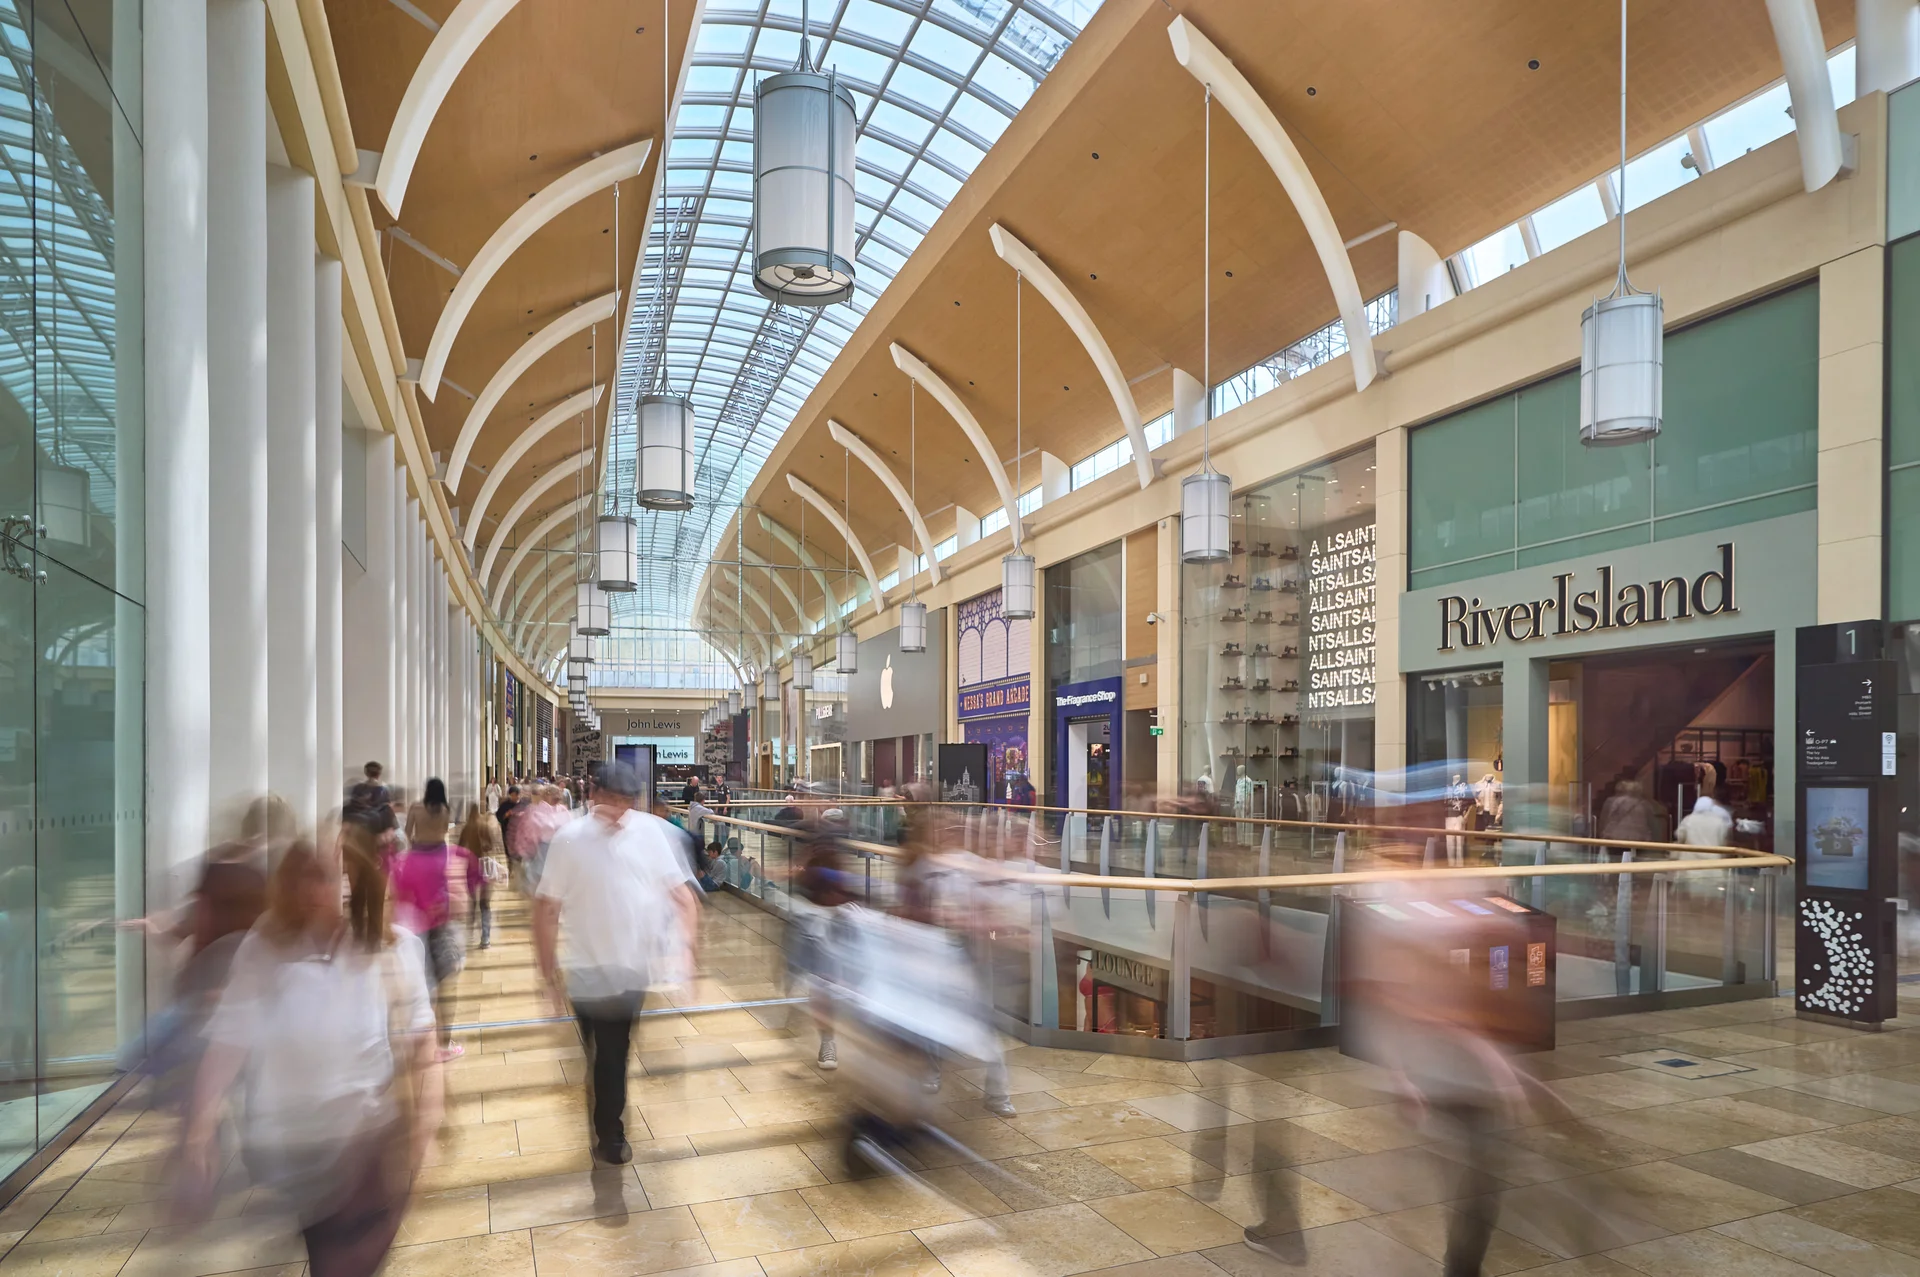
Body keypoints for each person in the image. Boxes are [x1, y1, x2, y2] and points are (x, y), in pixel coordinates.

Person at [179, 832, 443, 1277]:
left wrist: (426, 1126)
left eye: (333, 876)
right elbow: (231, 1037)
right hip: (298, 1139)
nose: (320, 891)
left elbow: (423, 1042)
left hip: (368, 1137)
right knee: (329, 1246)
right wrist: (200, 1130)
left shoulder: (392, 947)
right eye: (309, 877)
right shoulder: (266, 948)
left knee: (346, 1256)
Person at [533, 761, 699, 1165]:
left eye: (626, 801)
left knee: (613, 1054)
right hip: (586, 970)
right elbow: (546, 909)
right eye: (613, 799)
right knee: (600, 1053)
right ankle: (606, 1118)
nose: (619, 810)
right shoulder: (569, 838)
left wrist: (687, 952)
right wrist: (549, 976)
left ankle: (610, 1134)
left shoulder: (647, 832)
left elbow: (682, 897)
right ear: (595, 795)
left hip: (630, 969)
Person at [391, 778, 480, 1059]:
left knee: (420, 970)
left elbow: (407, 834)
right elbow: (446, 832)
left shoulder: (416, 808)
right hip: (439, 862)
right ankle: (443, 1042)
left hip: (416, 861)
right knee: (444, 982)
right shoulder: (445, 809)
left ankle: (418, 1035)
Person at [457, 802, 505, 949]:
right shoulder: (483, 826)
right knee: (485, 904)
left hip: (470, 869)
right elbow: (491, 845)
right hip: (484, 868)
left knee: (472, 903)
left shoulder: (466, 828)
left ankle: (470, 934)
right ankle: (485, 938)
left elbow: (459, 850)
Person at [1596, 779, 1665, 859]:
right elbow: (1652, 823)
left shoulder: (1611, 801)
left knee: (1615, 862)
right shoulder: (1644, 804)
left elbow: (1604, 820)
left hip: (1614, 838)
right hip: (1638, 840)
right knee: (1634, 864)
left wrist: (1601, 834)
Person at [345, 762, 395, 834]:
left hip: (356, 815)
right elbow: (386, 804)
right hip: (374, 818)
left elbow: (353, 801)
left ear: (366, 773)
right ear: (379, 774)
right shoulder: (383, 789)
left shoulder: (357, 787)